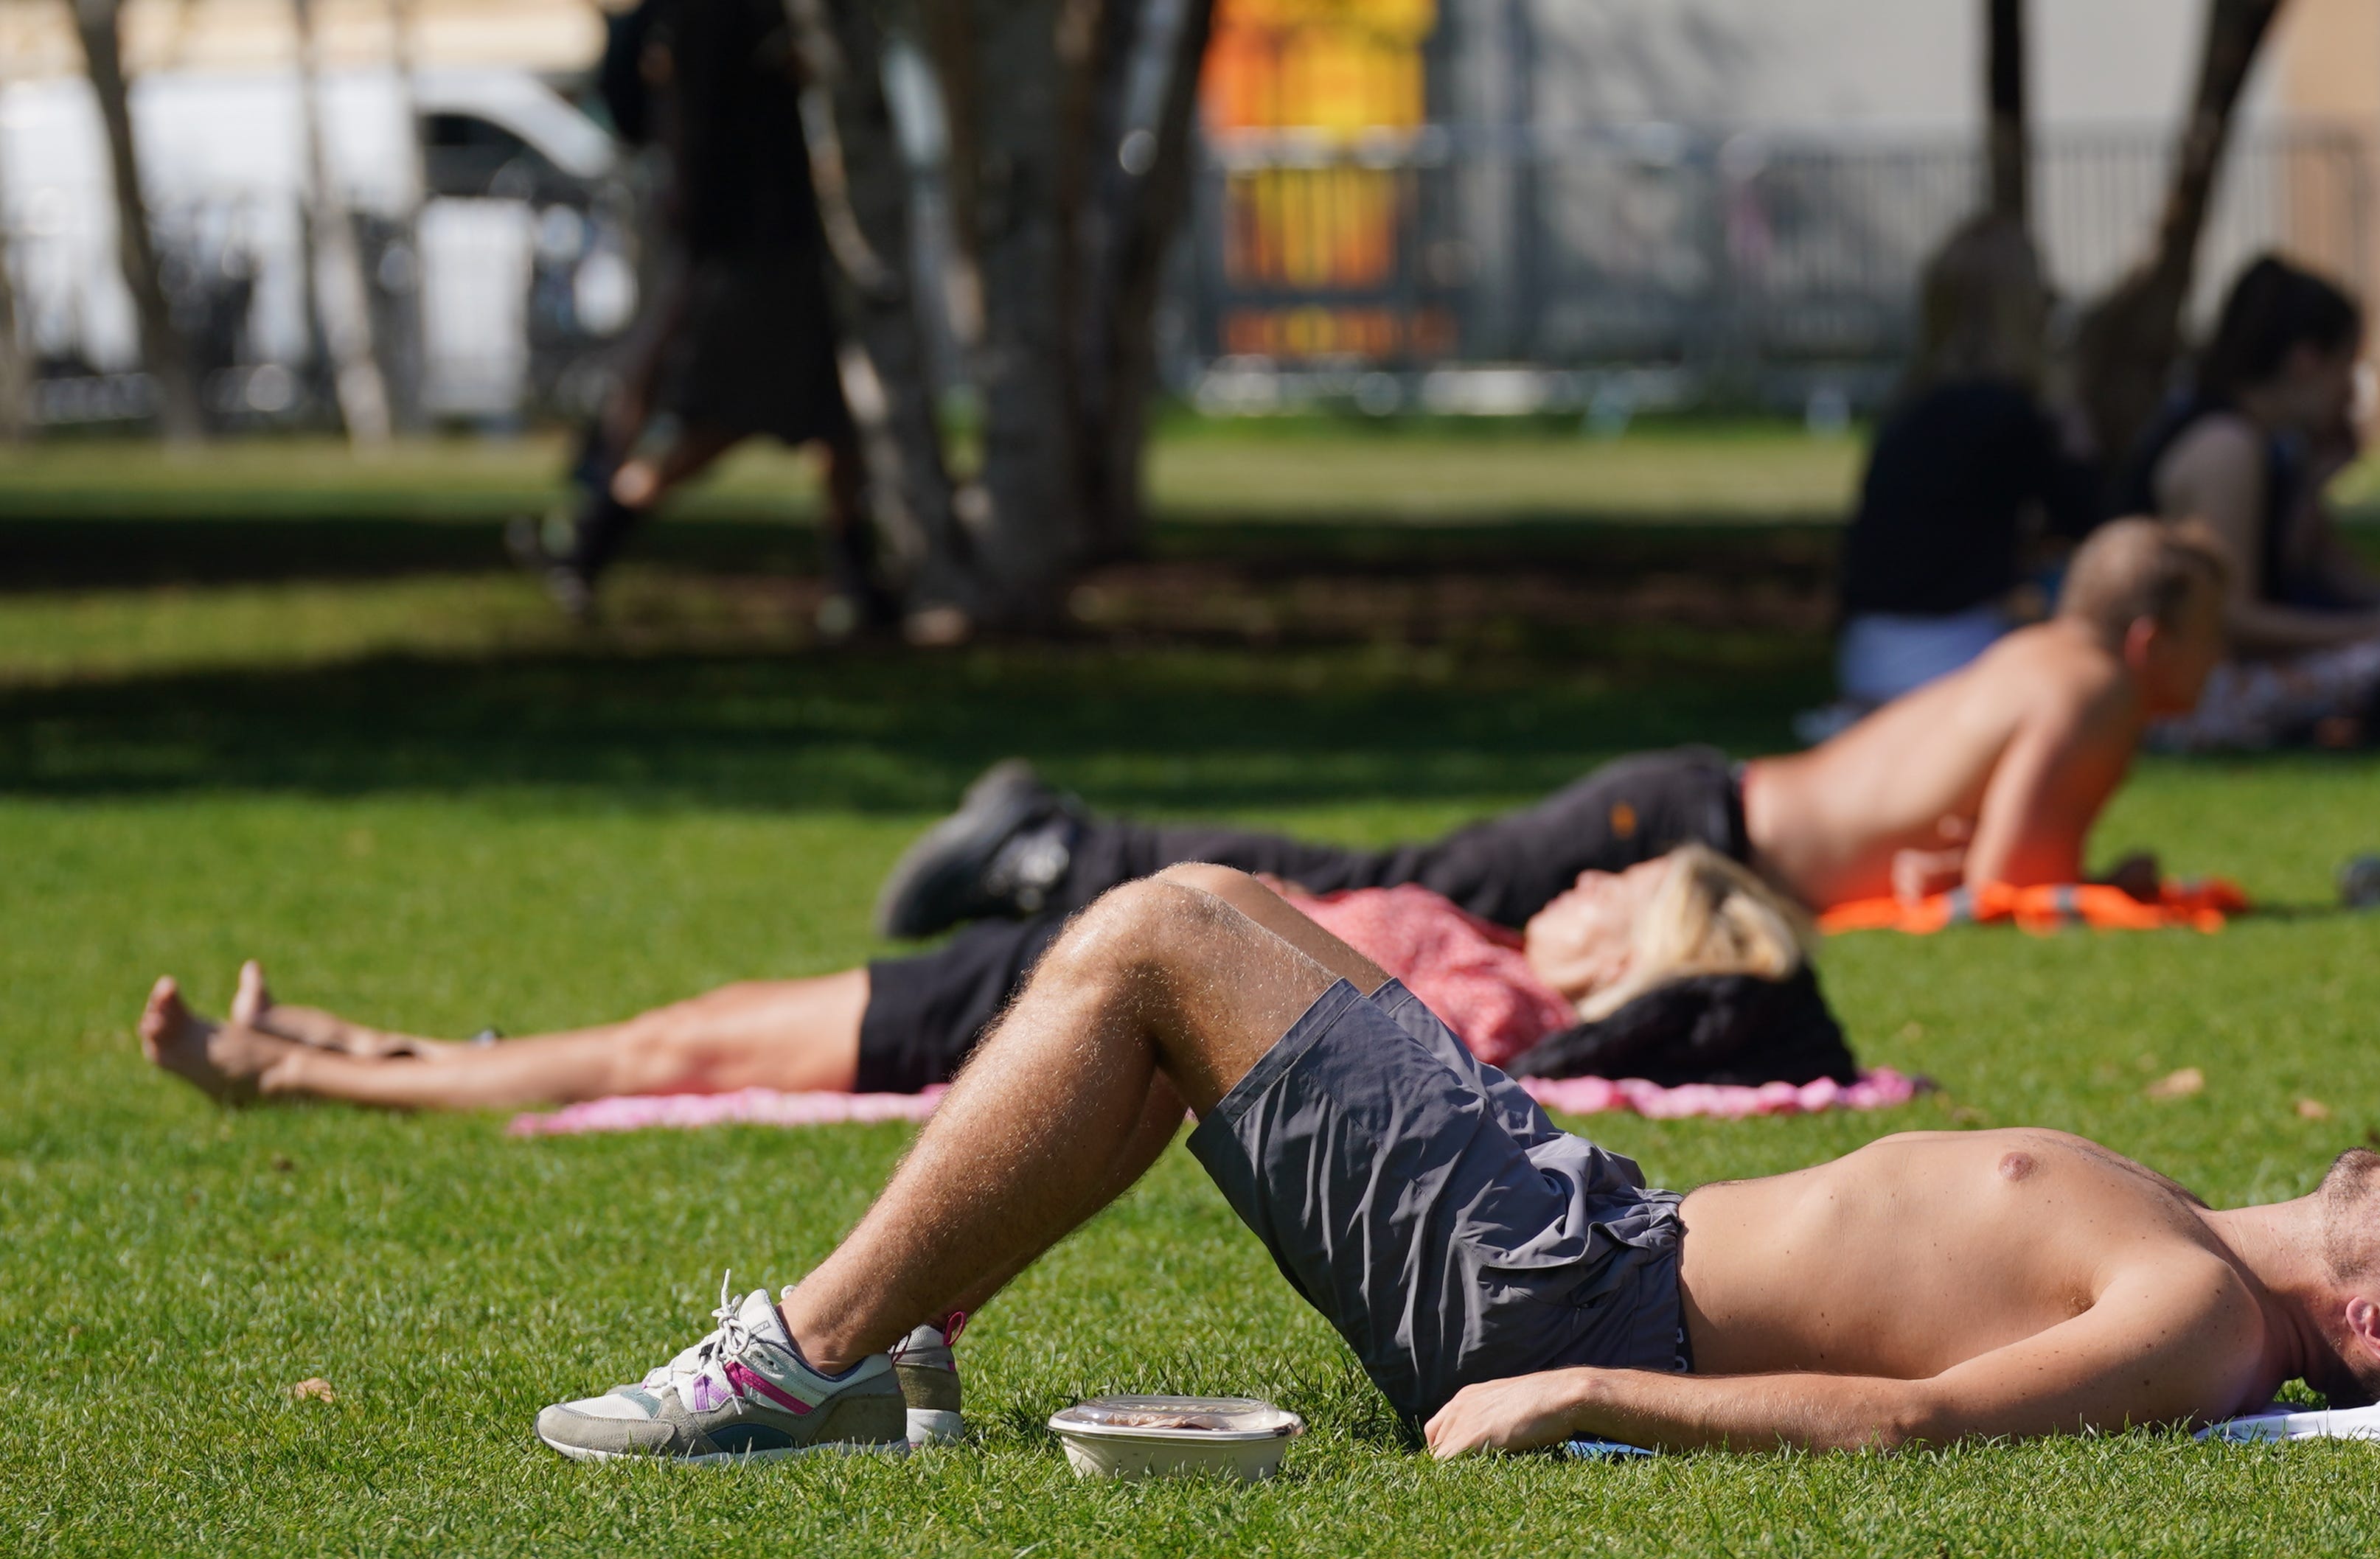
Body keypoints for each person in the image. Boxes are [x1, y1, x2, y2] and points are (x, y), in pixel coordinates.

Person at [514, 863, 2380, 1463]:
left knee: (1164, 939)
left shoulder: (2195, 1315)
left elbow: (1912, 1424)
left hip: (1567, 1295)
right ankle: (913, 1301)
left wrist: (1591, 1393)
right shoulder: (2186, 1242)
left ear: (2377, 1327)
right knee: (1206, 922)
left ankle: (807, 1354)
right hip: (1582, 1217)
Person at [874, 517, 2231, 943]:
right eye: (2213, 635)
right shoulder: (2089, 690)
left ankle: (1071, 852)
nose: (2220, 665)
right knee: (1390, 891)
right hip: (1689, 838)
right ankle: (1065, 850)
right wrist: (2133, 896)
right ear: (2147, 635)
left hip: (1696, 816)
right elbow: (2013, 880)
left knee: (1394, 889)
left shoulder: (2039, 653)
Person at [133, 847, 1826, 1112]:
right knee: (688, 1027)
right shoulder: (1494, 950)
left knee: (686, 1040)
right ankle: (383, 1044)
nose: (1584, 877)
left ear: (1641, 949)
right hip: (1066, 948)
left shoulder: (1498, 1012)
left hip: (1058, 993)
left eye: (1620, 887)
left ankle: (297, 1075)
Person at [524, 0, 891, 635]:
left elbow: (626, 105)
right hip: (754, 244)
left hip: (741, 238)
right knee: (725, 416)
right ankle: (590, 543)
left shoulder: (681, 18)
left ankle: (862, 586)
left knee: (832, 422)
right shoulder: (740, 19)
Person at [2119, 256, 2380, 753]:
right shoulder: (2226, 448)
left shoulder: (2272, 447)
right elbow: (2233, 618)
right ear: (2305, 361)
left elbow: (2316, 574)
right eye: (2347, 365)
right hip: (2187, 698)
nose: (2351, 390)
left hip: (2209, 683)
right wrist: (2379, 628)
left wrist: (2315, 492)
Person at [1820, 223, 2104, 731]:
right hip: (1942, 653)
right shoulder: (2007, 412)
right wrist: (2075, 434)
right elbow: (2092, 523)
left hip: (1867, 650)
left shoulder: (1912, 408)